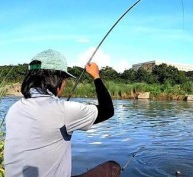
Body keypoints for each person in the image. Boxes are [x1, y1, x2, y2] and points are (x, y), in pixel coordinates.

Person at [4, 49, 114, 177]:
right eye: (65, 78)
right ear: (58, 79)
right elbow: (107, 110)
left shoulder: (14, 109)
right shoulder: (64, 111)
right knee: (112, 168)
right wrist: (96, 76)